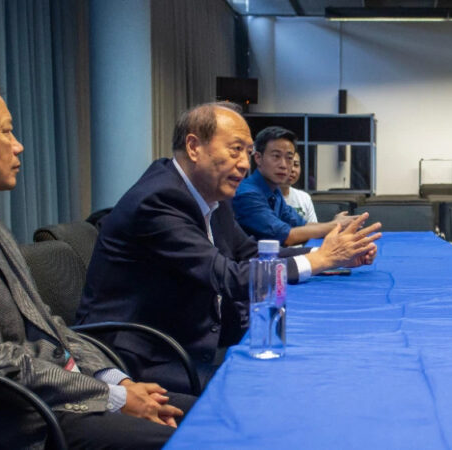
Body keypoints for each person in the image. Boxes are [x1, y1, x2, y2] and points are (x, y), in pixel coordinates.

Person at [0, 75, 191, 448]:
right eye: (6, 132)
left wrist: (116, 382)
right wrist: (112, 398)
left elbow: (48, 324)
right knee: (195, 439)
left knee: (209, 412)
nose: (19, 146)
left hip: (56, 392)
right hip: (14, 416)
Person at [78, 103, 381, 394]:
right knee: (281, 385)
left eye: (248, 153)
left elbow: (249, 253)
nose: (245, 164)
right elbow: (230, 277)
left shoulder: (212, 193)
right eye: (236, 150)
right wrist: (320, 258)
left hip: (187, 336)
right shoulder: (159, 200)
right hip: (146, 355)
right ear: (194, 147)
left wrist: (330, 258)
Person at [233, 126, 358, 246]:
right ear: (258, 158)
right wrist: (336, 225)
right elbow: (286, 237)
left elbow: (301, 225)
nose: (283, 165)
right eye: (276, 156)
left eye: (289, 158)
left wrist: (334, 224)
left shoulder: (274, 191)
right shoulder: (247, 193)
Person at [283, 151, 317, 223]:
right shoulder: (262, 197)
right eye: (288, 163)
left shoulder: (304, 198)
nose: (292, 169)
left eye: (296, 165)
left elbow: (313, 231)